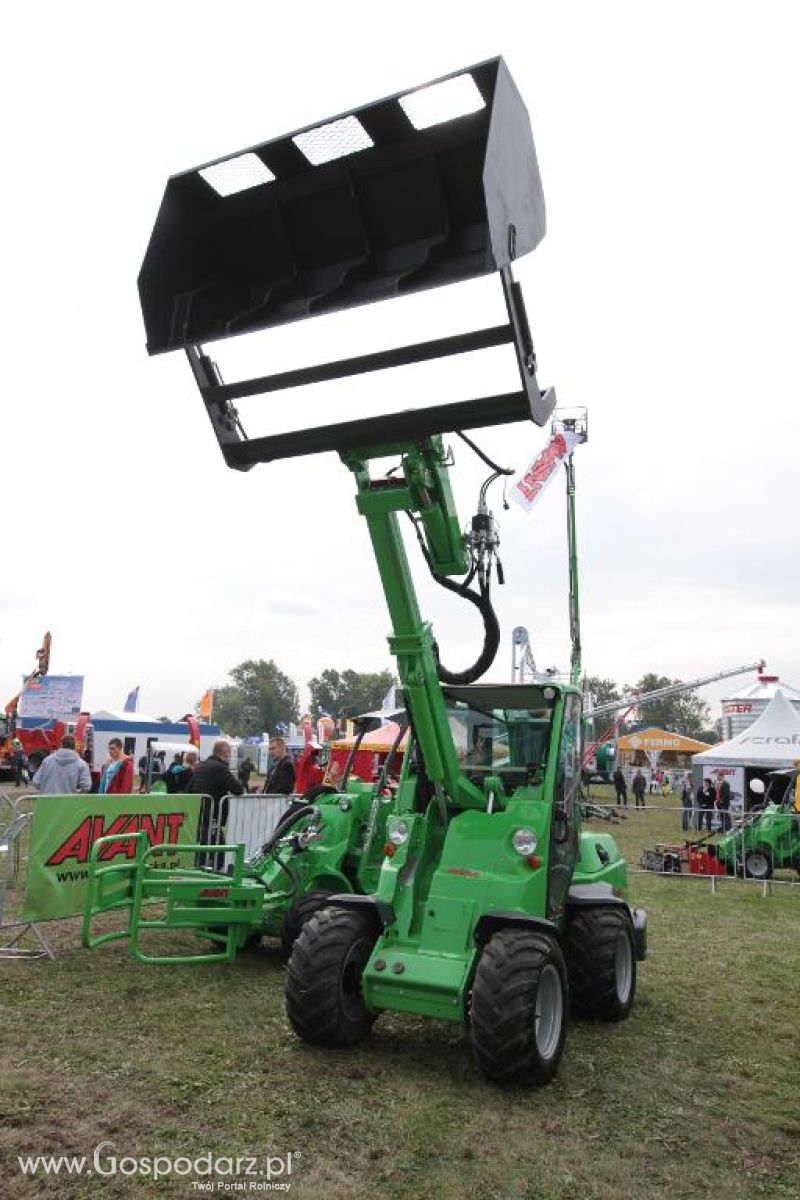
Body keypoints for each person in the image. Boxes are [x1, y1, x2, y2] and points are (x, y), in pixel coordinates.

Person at [187, 740, 244, 856]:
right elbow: (238, 789)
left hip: (198, 812)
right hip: (212, 815)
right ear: (226, 753)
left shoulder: (201, 766)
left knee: (204, 845)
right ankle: (212, 869)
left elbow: (189, 788)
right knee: (217, 850)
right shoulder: (220, 768)